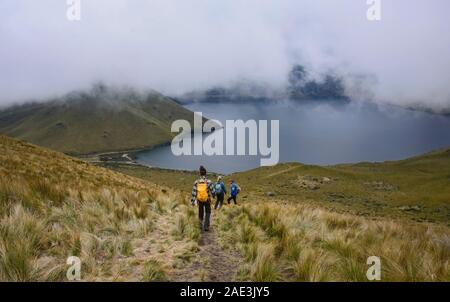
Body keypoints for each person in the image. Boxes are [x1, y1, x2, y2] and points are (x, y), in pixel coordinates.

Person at [191, 165, 215, 231]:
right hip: (207, 199)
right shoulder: (209, 181)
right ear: (205, 173)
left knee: (200, 212)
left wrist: (193, 201)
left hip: (199, 199)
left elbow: (194, 192)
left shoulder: (196, 182)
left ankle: (200, 225)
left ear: (200, 173)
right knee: (208, 211)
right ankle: (206, 226)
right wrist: (213, 195)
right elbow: (213, 190)